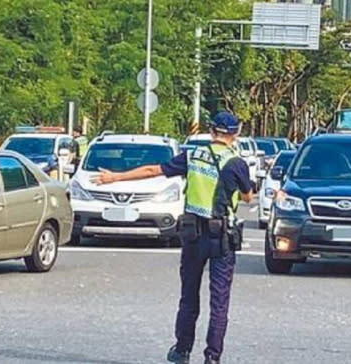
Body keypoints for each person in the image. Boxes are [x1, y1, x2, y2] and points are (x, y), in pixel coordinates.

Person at [92, 112, 253, 364]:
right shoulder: (237, 163)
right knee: (219, 300)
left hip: (192, 234)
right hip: (222, 236)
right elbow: (247, 197)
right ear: (236, 133)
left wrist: (115, 177)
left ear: (211, 131)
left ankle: (182, 350)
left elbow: (153, 170)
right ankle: (212, 357)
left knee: (189, 295)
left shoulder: (193, 156)